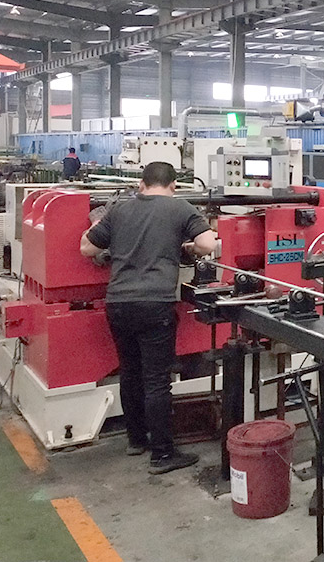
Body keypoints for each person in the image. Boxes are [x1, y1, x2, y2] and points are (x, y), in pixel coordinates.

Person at [80, 162, 217, 474]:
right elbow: (208, 244)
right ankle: (162, 455)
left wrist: (102, 228)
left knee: (130, 372)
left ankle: (136, 440)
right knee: (157, 380)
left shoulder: (119, 210)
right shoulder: (180, 208)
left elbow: (87, 248)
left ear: (141, 184)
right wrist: (185, 245)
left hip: (118, 303)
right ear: (173, 186)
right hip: (155, 304)